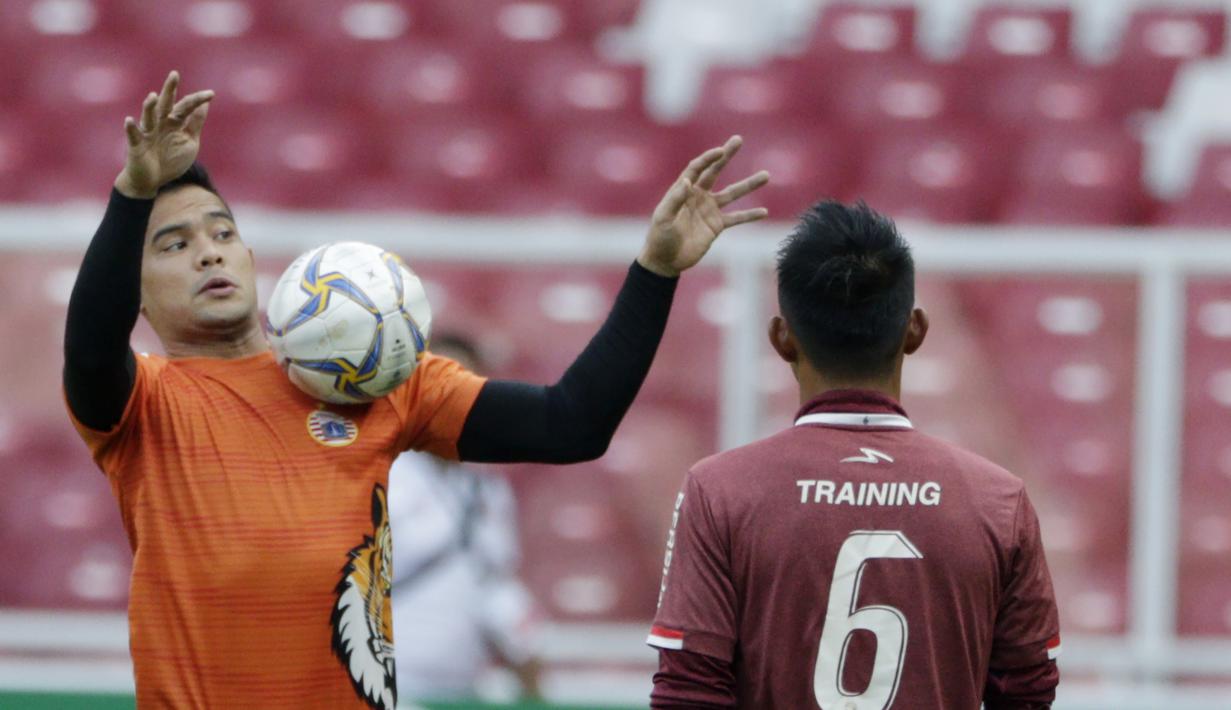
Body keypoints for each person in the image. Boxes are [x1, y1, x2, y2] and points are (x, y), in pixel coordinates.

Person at [62, 70, 769, 709]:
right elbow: (91, 353)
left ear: (250, 259)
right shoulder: (145, 405)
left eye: (221, 231)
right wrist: (131, 197)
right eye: (173, 244)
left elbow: (571, 424)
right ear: (137, 298)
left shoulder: (373, 382)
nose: (209, 249)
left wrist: (654, 271)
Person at [647, 201, 1061, 709]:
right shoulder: (998, 500)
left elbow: (689, 694)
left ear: (781, 338)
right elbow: (1027, 692)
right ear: (915, 330)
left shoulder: (720, 492)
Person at [387, 333, 542, 702]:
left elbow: (495, 584)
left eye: (463, 386)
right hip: (385, 686)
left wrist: (526, 656)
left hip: (460, 690)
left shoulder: (488, 490)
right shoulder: (377, 476)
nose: (448, 399)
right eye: (437, 384)